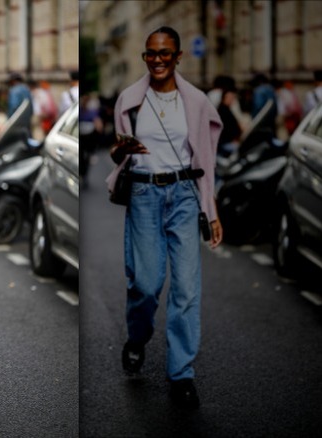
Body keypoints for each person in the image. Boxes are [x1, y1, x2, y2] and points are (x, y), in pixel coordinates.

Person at [106, 26, 223, 409]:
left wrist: (211, 209)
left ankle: (182, 374)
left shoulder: (197, 101)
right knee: (145, 283)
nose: (157, 60)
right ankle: (137, 337)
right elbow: (122, 153)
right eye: (150, 54)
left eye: (165, 54)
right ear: (145, 57)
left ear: (177, 58)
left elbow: (206, 161)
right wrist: (119, 154)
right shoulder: (130, 100)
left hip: (186, 194)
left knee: (186, 288)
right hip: (143, 193)